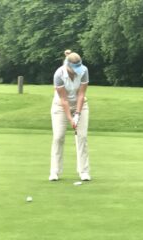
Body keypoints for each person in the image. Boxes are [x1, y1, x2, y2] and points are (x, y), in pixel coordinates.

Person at [49, 52, 91, 181]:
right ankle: (55, 171)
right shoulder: (59, 74)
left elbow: (81, 94)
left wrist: (77, 114)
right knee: (58, 137)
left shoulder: (83, 70)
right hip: (61, 106)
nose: (77, 71)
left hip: (80, 104)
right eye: (74, 68)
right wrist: (70, 118)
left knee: (82, 137)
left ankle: (83, 171)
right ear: (68, 65)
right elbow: (64, 99)